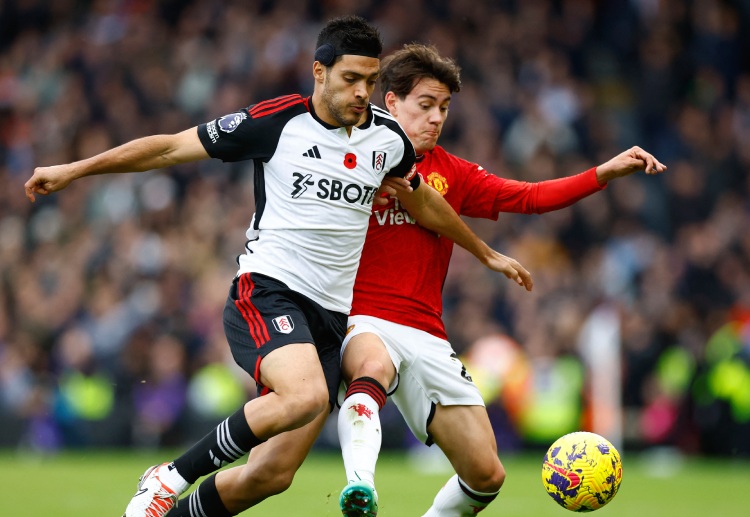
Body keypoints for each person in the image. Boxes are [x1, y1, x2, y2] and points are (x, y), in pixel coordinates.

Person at [24, 18, 532, 517]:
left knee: (271, 474)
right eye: (350, 79)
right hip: (268, 290)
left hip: (331, 319)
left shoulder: (388, 141)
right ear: (319, 72)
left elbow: (423, 202)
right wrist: (74, 169)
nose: (362, 93)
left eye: (370, 81)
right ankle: (169, 476)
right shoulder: (278, 122)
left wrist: (484, 253)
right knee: (306, 395)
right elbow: (169, 146)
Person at [336, 43, 667, 517]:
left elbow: (529, 196)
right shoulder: (346, 154)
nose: (436, 118)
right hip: (363, 316)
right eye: (425, 105)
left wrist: (603, 173)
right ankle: (359, 486)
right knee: (372, 367)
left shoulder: (452, 172)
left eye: (444, 108)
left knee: (486, 475)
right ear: (390, 102)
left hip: (428, 331)